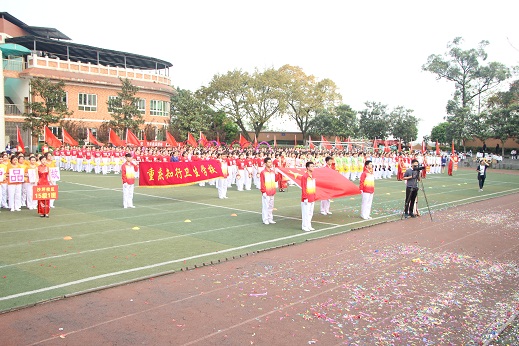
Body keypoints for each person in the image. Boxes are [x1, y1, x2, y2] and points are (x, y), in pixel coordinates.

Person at [260, 157, 278, 225]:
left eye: (271, 162)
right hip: (266, 192)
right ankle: (265, 219)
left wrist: (277, 173)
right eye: (269, 162)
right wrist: (263, 191)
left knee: (271, 206)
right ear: (265, 163)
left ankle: (270, 218)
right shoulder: (263, 172)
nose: (270, 164)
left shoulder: (272, 172)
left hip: (272, 191)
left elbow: (276, 180)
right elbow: (262, 182)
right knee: (266, 206)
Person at [301, 161, 316, 232]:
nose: (313, 167)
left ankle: (309, 225)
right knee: (306, 213)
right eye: (311, 166)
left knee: (310, 213)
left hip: (312, 196)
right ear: (307, 167)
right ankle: (304, 226)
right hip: (306, 198)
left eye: (313, 166)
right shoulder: (305, 177)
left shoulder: (312, 176)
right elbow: (304, 187)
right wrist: (305, 197)